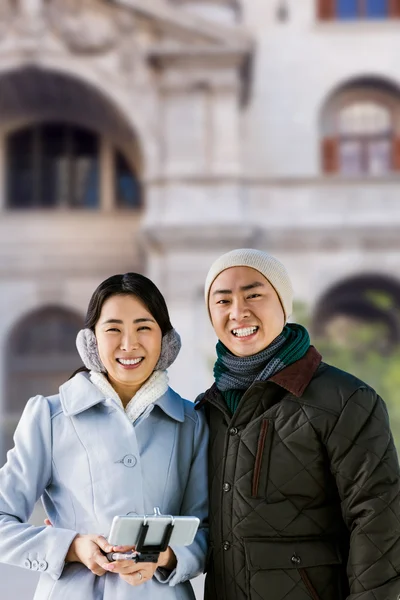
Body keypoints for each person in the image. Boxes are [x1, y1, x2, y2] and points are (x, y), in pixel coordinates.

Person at [196, 248, 400, 600]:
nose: (238, 312)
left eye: (254, 295)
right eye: (222, 300)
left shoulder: (346, 400)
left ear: (283, 304)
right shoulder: (207, 408)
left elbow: (378, 517)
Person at [0, 273, 208, 600]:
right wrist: (70, 547)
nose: (129, 344)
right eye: (113, 329)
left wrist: (166, 556)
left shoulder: (192, 423)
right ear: (91, 341)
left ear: (166, 341)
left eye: (144, 327)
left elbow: (208, 531)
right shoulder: (50, 418)